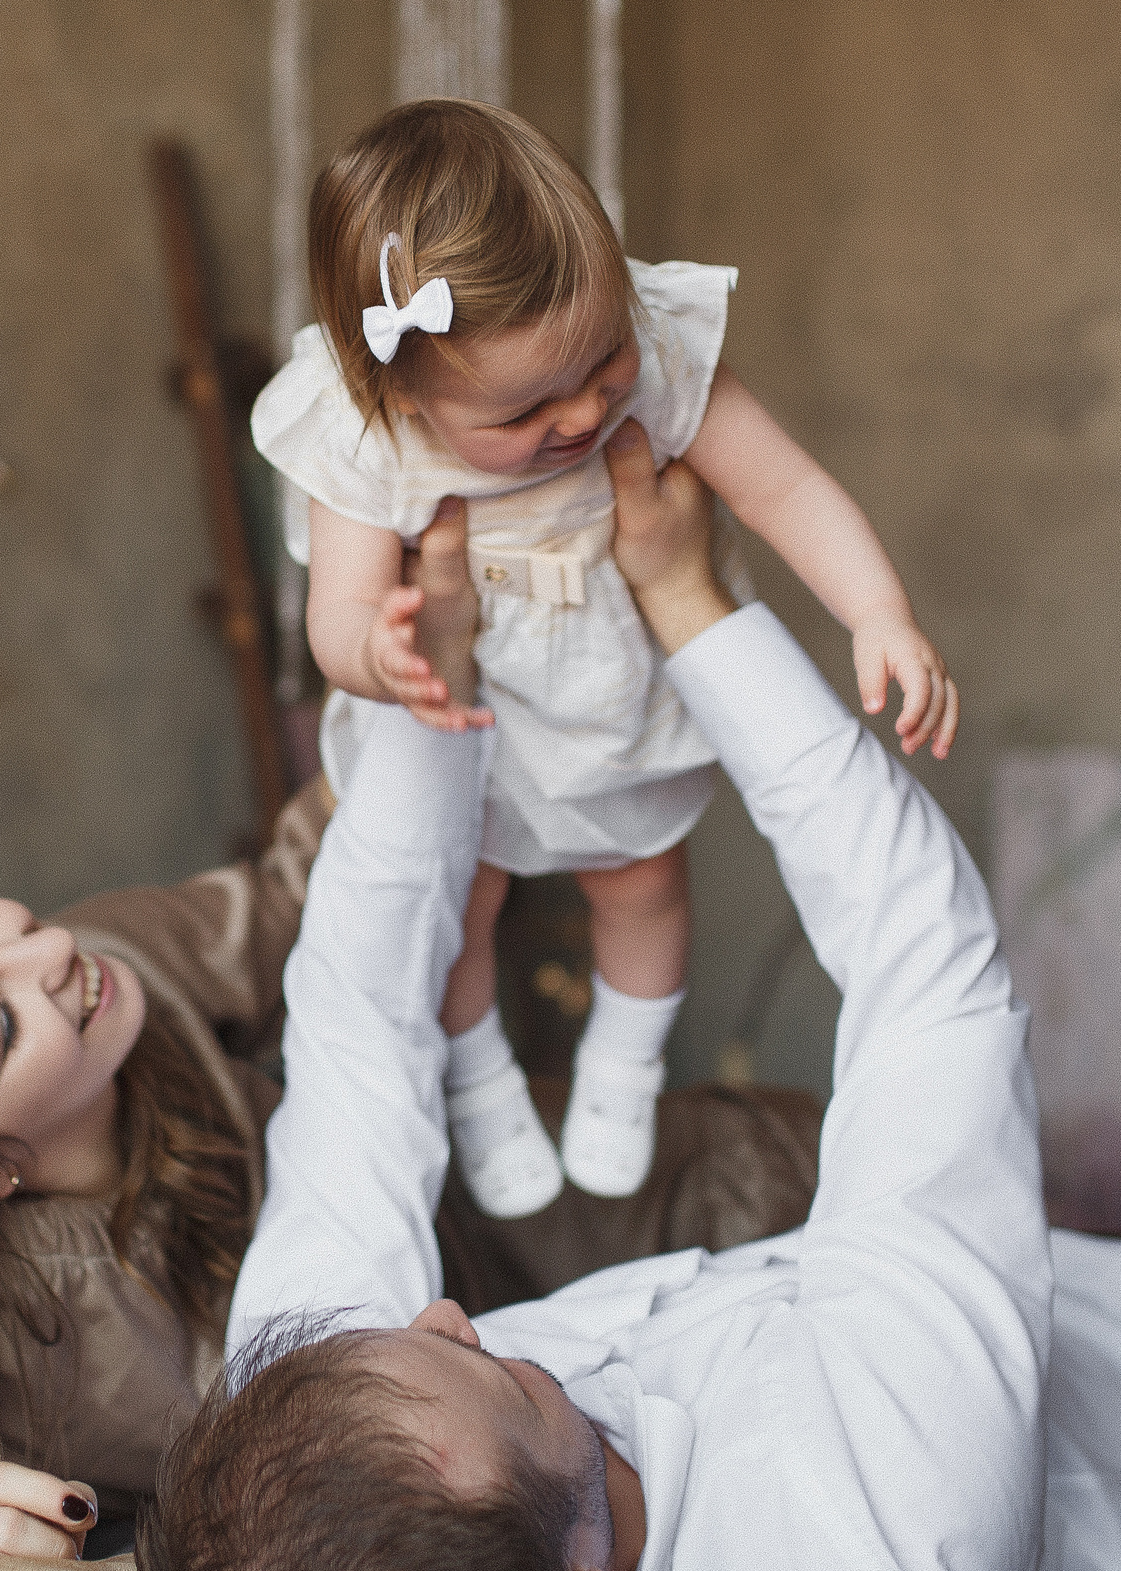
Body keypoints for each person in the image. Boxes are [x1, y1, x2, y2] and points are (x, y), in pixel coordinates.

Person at [0, 425, 1121, 1571]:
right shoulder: (883, 1555)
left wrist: (437, 684)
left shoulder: (324, 1427)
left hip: (887, 1273)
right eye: (490, 1366)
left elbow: (355, 1021)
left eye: (416, 1338)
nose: (451, 1310)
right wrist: (699, 610)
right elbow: (928, 974)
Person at [0, 538, 828, 1571]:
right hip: (488, 1373)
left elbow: (298, 898)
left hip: (510, 1193)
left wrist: (406, 679)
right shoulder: (7, 1356)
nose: (43, 951)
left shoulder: (107, 965)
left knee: (829, 1161)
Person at [254, 98, 957, 1219]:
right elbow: (334, 614)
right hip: (461, 713)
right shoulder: (363, 436)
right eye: (529, 406)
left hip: (610, 694)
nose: (585, 410)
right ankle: (479, 1084)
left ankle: (623, 1066)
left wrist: (878, 611)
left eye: (604, 360)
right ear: (396, 388)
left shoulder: (661, 357)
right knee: (458, 909)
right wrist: (374, 653)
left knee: (639, 887)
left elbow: (784, 488)